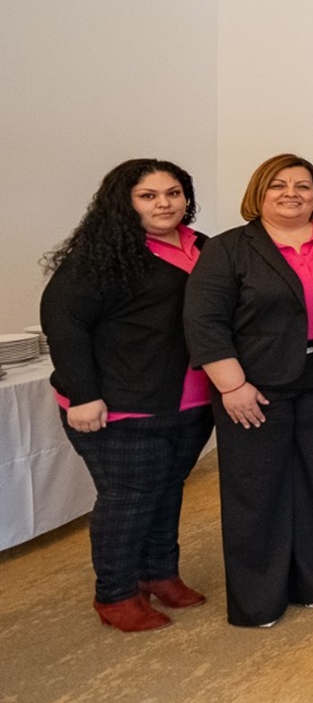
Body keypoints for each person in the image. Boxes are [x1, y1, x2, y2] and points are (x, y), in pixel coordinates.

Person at [185, 154, 313, 627]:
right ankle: (258, 599)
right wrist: (231, 385)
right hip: (252, 385)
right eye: (278, 185)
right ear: (259, 193)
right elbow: (204, 322)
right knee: (256, 490)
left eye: (303, 186)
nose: (292, 194)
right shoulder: (228, 249)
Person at [40, 160, 216, 632]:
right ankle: (115, 595)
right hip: (119, 403)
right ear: (125, 201)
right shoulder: (103, 254)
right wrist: (83, 394)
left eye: (174, 193)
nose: (164, 203)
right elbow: (65, 323)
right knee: (128, 498)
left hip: (192, 401)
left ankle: (159, 573)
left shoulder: (202, 247)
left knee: (167, 492)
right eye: (149, 195)